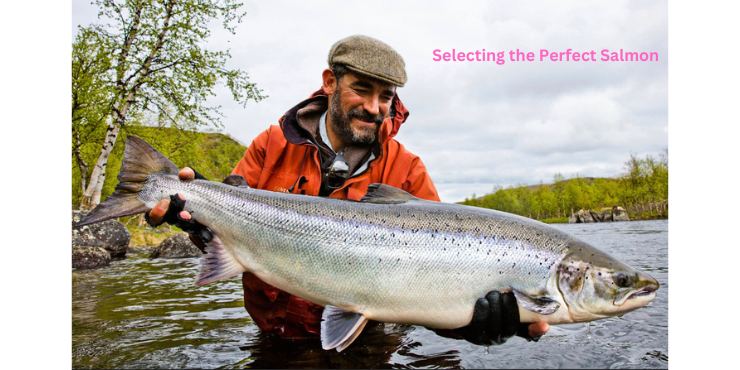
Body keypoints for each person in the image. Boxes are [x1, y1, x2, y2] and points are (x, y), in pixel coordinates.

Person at [147, 35, 549, 346]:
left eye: (386, 97)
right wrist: (199, 223)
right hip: (276, 338)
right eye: (362, 89)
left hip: (368, 343)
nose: (374, 107)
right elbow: (233, 236)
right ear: (330, 82)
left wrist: (471, 326)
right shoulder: (271, 144)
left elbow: (434, 283)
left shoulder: (407, 170)